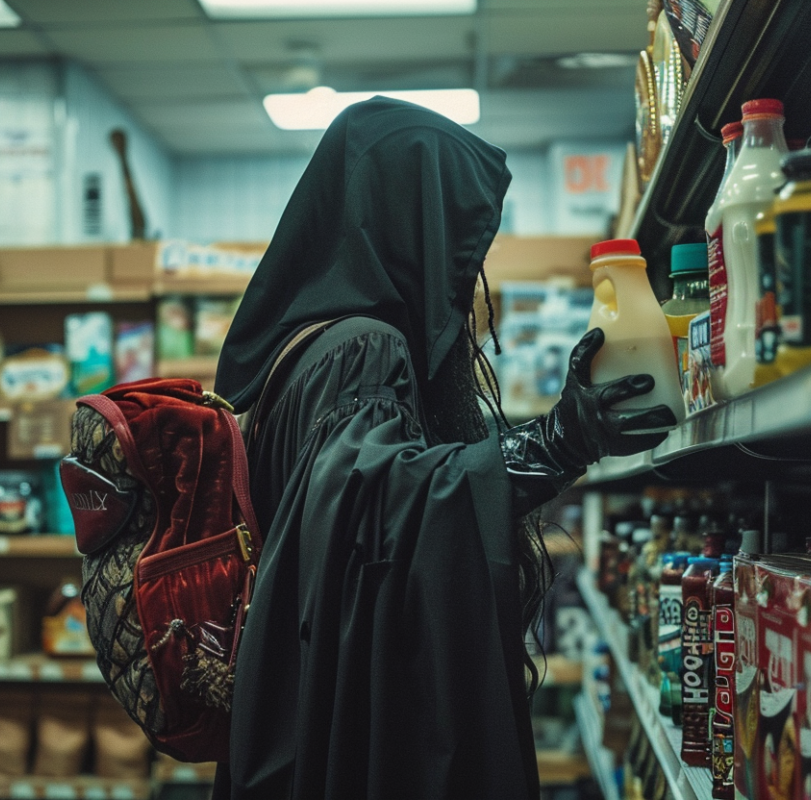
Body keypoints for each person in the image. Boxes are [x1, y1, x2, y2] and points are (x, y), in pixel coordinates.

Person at [212, 97, 676, 800]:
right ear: (412, 230)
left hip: (301, 714)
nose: (467, 285)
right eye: (460, 252)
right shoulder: (363, 348)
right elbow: (379, 513)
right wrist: (555, 445)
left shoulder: (296, 352)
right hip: (351, 741)